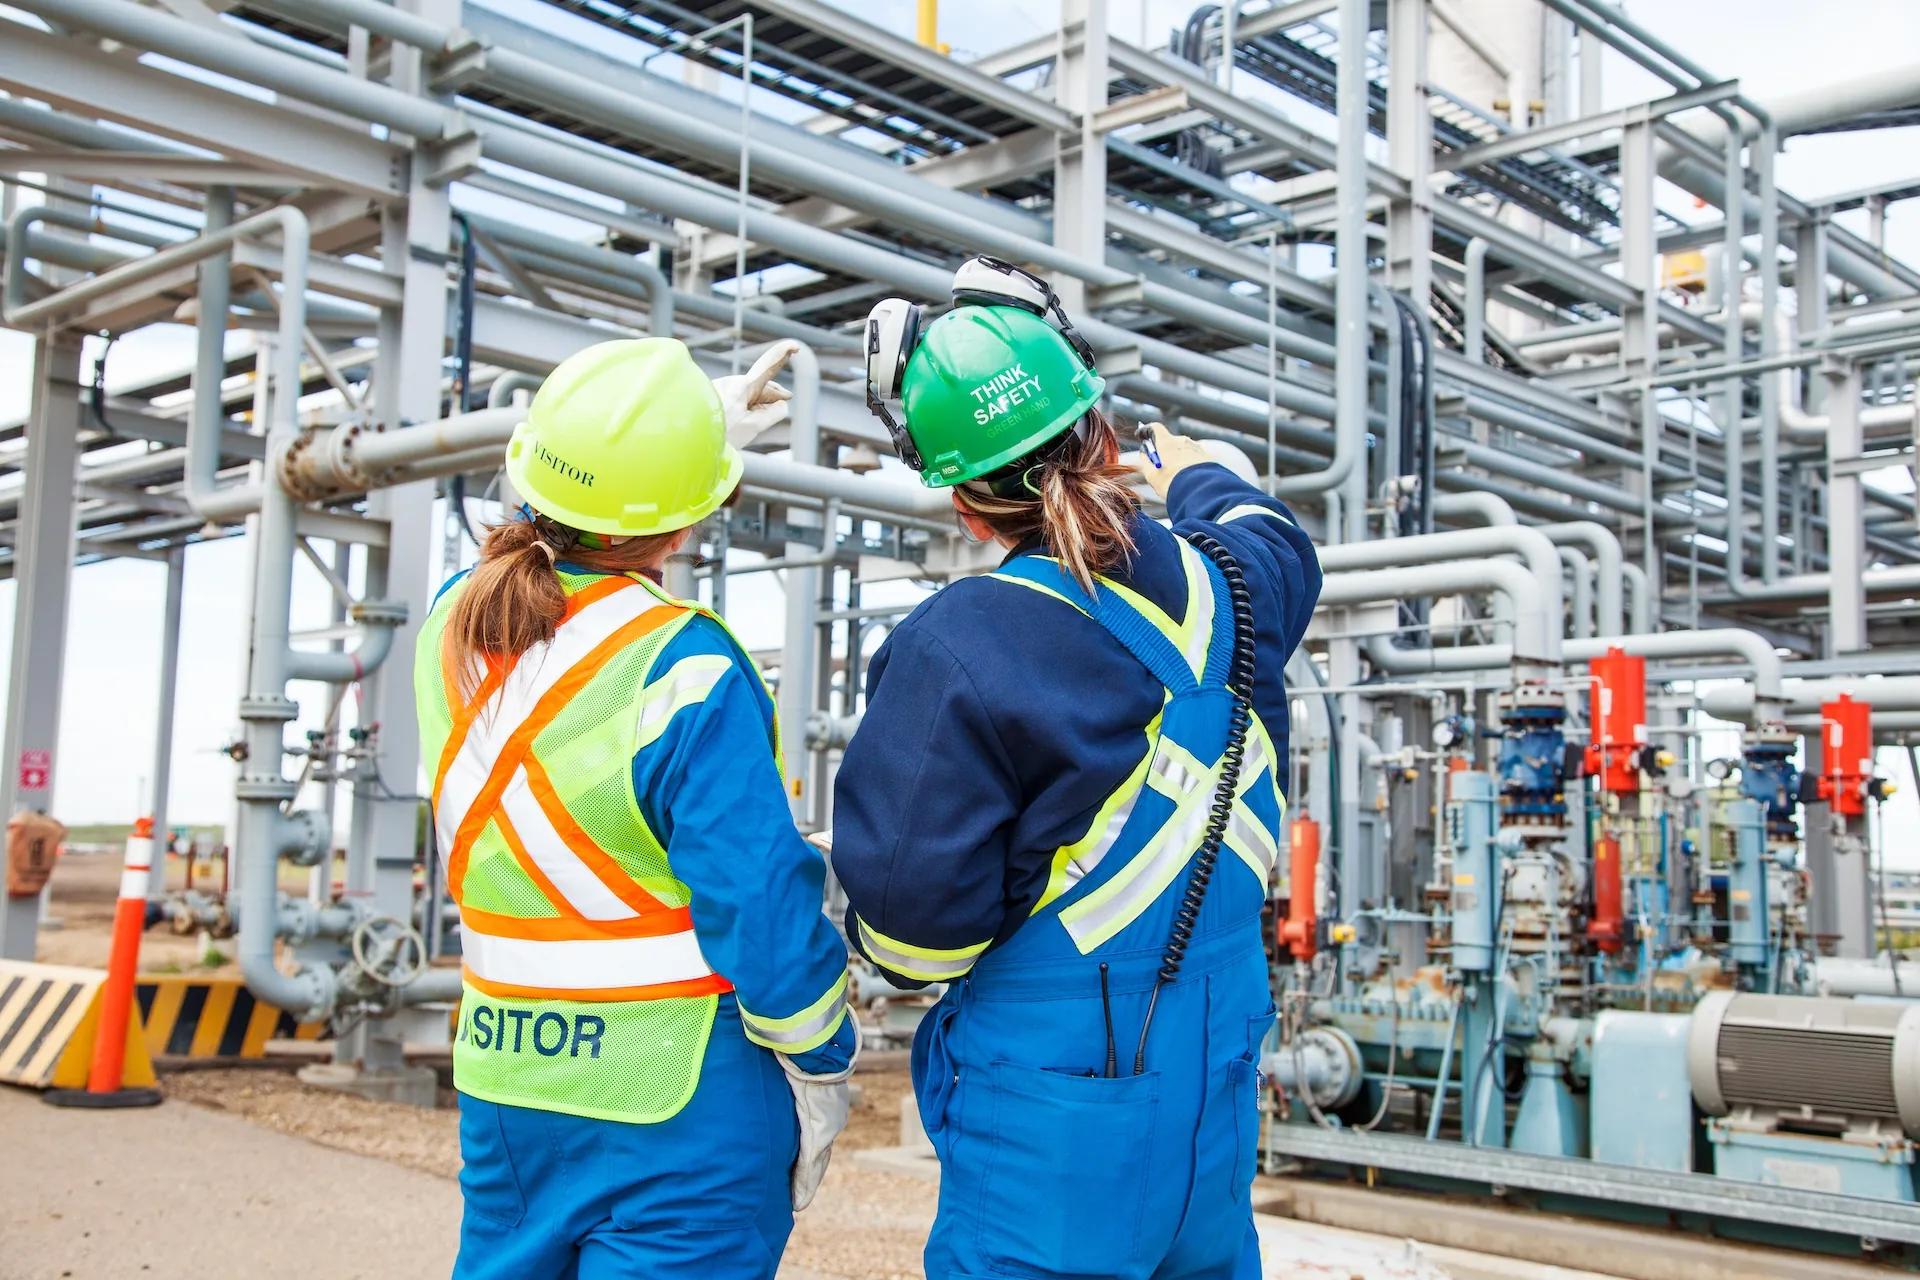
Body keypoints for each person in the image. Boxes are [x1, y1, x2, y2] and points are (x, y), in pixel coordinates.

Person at [834, 259, 1321, 1279]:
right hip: (1218, 1089)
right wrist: (1198, 471)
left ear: (967, 506)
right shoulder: (1233, 583)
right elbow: (1275, 537)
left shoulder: (956, 648)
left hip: (1052, 1110)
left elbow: (913, 945)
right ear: (1104, 437)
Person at [414, 337, 856, 1280]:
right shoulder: (686, 665)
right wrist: (822, 1056)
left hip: (509, 1077)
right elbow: (759, 906)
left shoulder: (451, 623)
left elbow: (541, 537)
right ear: (688, 524)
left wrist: (661, 451)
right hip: (679, 1090)